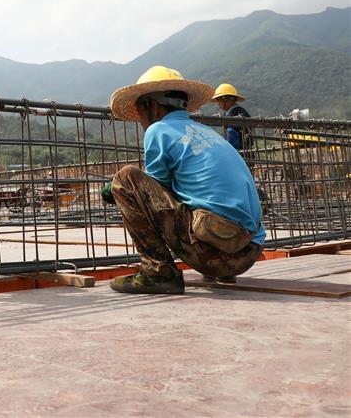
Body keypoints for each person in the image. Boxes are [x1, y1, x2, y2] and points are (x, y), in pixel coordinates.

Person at [104, 66, 265, 294]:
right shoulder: (207, 132)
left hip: (215, 253)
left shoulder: (158, 130)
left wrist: (116, 189)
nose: (140, 120)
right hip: (249, 252)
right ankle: (221, 271)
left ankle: (157, 273)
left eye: (140, 111)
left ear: (153, 106)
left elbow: (153, 192)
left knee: (126, 178)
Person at [211, 83, 252, 150]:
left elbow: (232, 140)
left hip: (240, 153)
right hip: (247, 151)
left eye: (218, 99)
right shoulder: (240, 111)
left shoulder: (233, 116)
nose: (217, 103)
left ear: (224, 99)